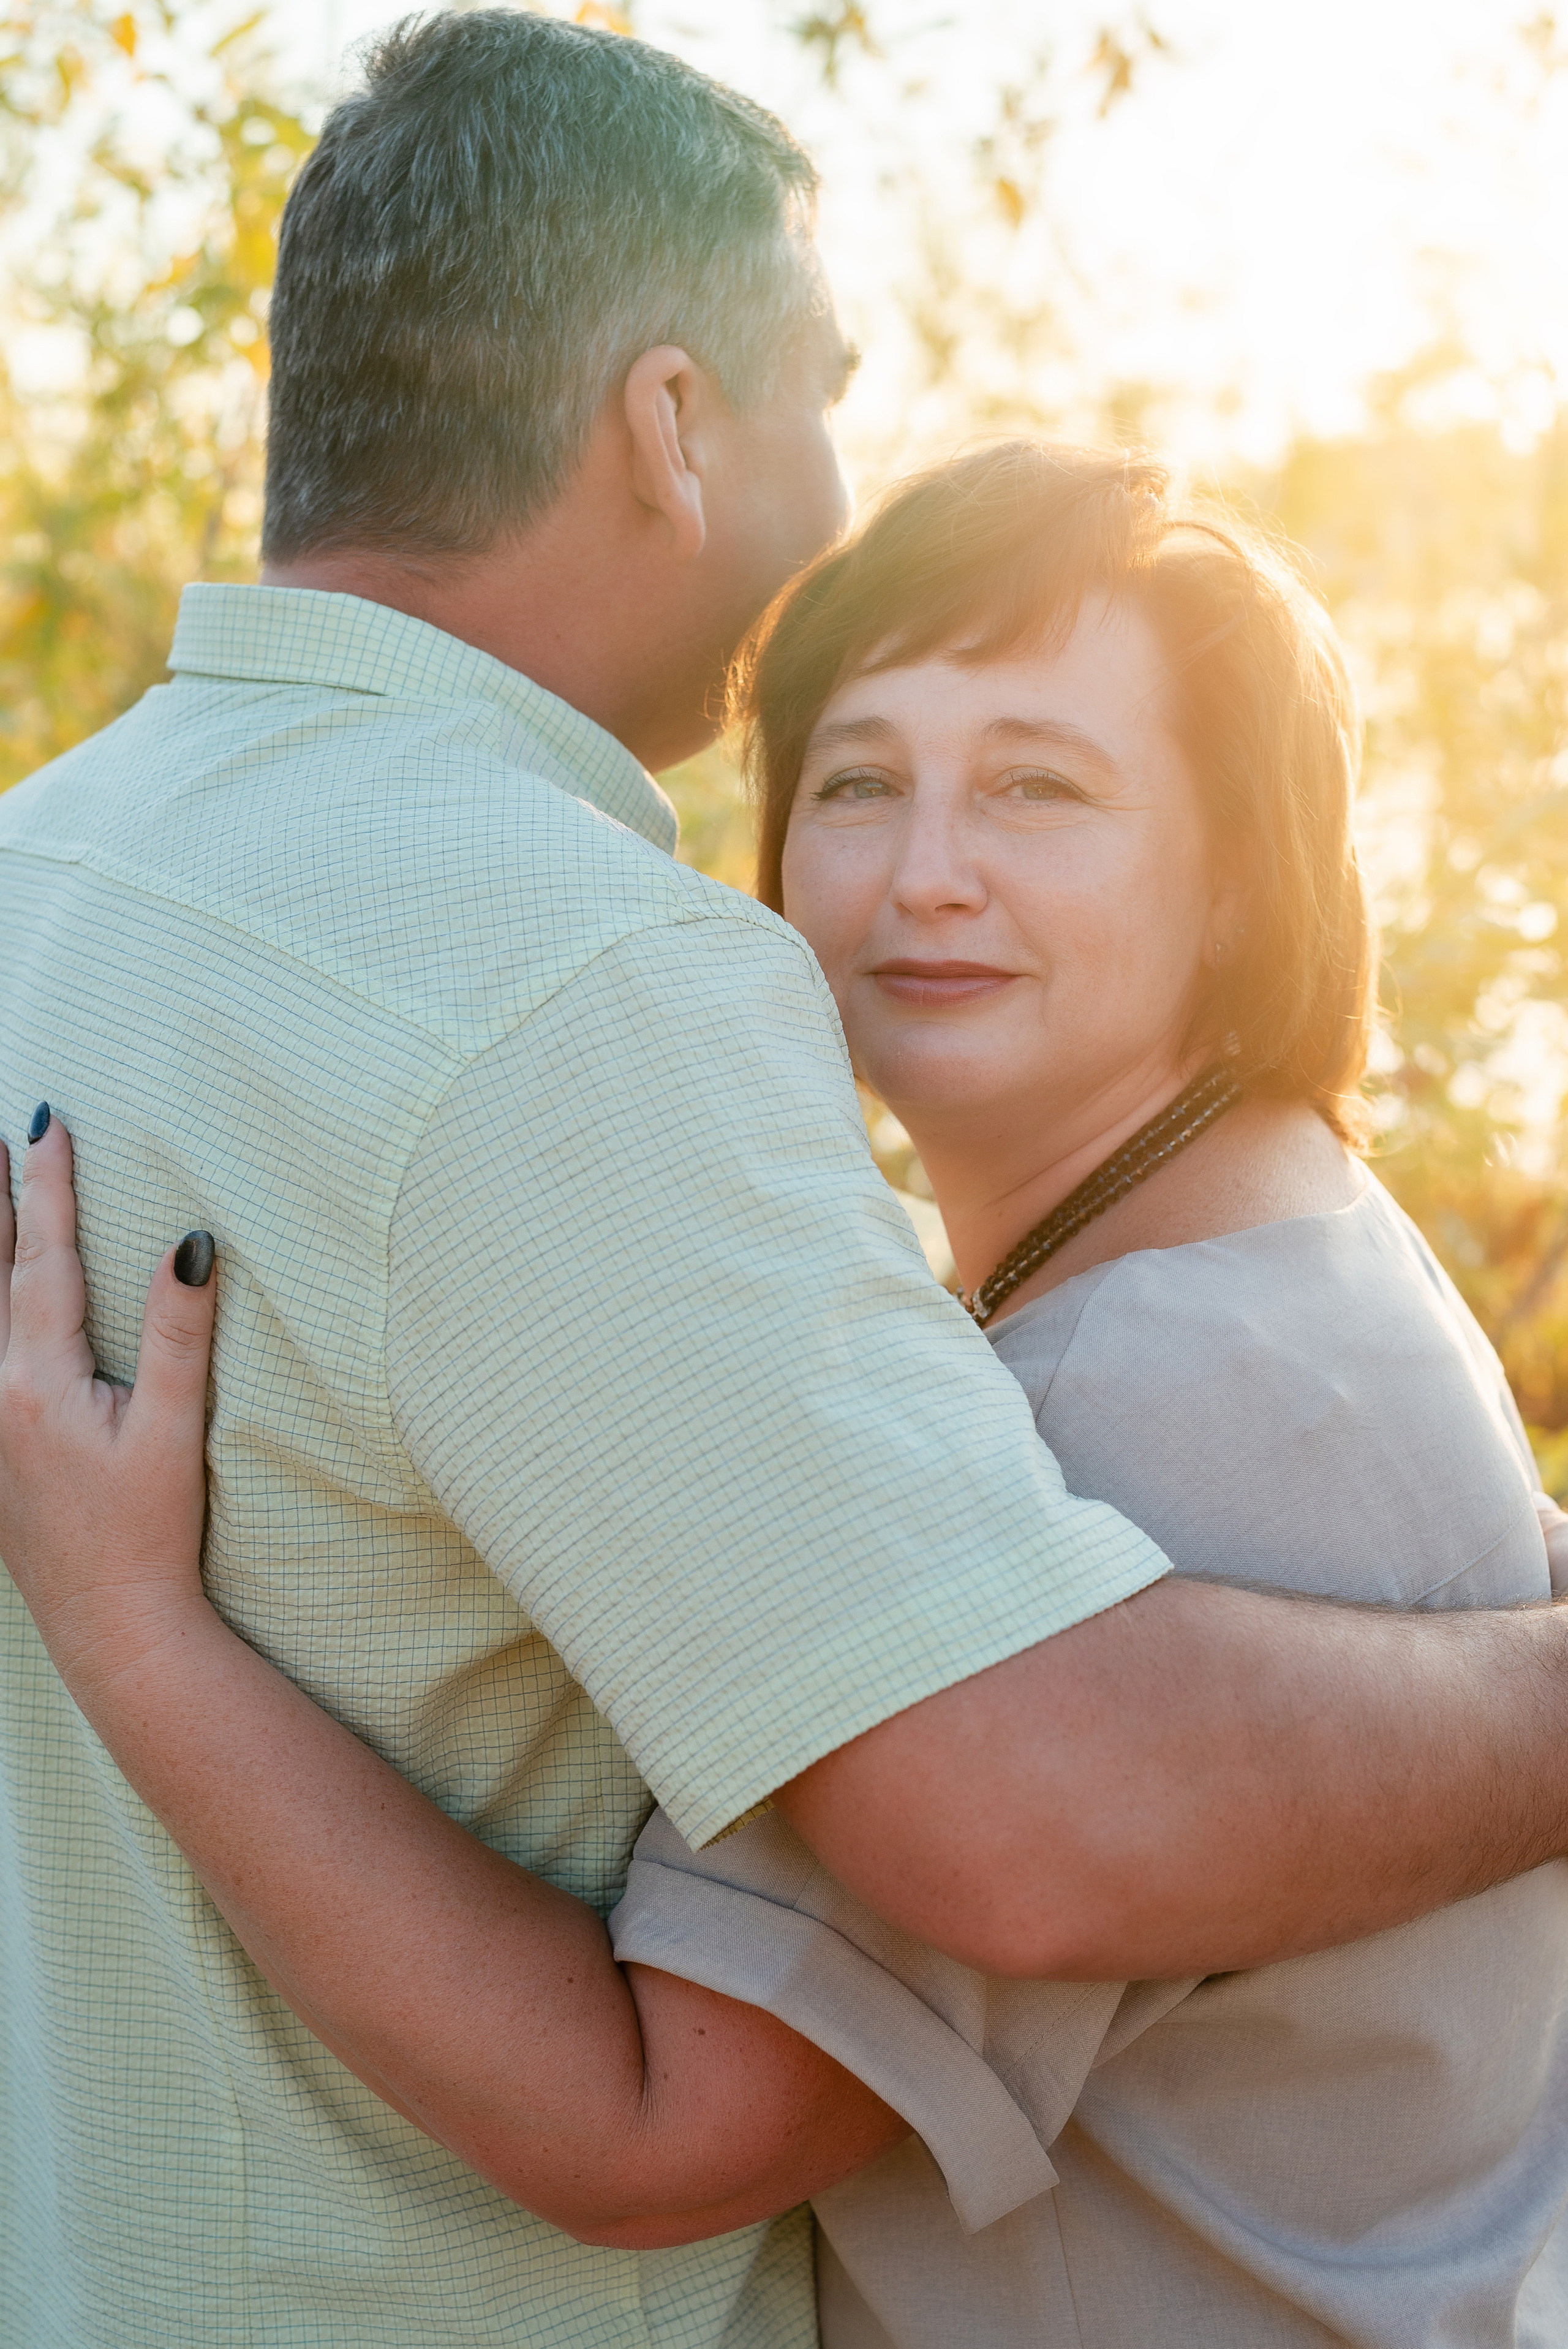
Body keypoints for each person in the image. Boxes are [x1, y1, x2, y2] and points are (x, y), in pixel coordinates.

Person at [6, 13, 1568, 2344]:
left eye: (1041, 787)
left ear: (1247, 884)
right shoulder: (582, 979)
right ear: (672, 423)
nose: (925, 872)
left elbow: (781, 2012)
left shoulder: (57, 868)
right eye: (858, 779)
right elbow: (992, 1829)